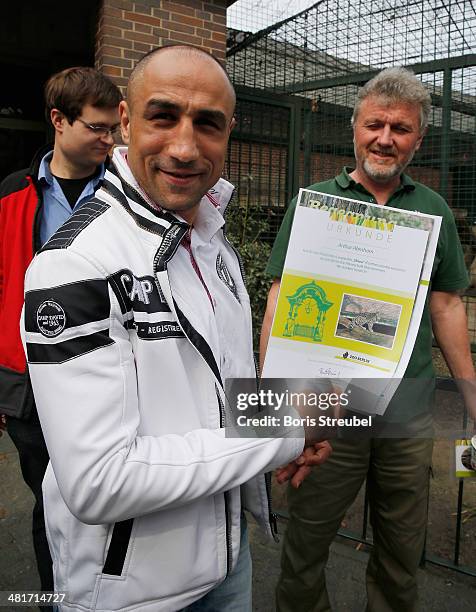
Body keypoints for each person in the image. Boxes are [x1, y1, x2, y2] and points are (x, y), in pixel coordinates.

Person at [19, 45, 330, 612]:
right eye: (164, 116)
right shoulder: (74, 263)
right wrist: (283, 433)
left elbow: (221, 396)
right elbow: (100, 481)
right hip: (130, 595)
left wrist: (286, 434)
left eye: (208, 124)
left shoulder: (212, 243)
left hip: (228, 564)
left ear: (229, 131)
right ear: (126, 122)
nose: (185, 147)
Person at [260, 67, 476, 612]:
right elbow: (282, 300)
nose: (386, 138)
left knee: (403, 548)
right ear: (355, 128)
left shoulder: (434, 212)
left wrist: (471, 390)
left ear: (417, 139)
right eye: (375, 124)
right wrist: (275, 399)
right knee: (307, 539)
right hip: (329, 405)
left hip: (407, 410)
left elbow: (447, 304)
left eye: (400, 129)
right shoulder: (313, 205)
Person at [0, 66, 122, 605]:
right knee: (52, 504)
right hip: (28, 389)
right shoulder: (11, 195)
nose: (109, 139)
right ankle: (57, 598)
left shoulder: (126, 192)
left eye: (113, 128)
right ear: (58, 120)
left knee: (107, 504)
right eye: (97, 128)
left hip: (107, 383)